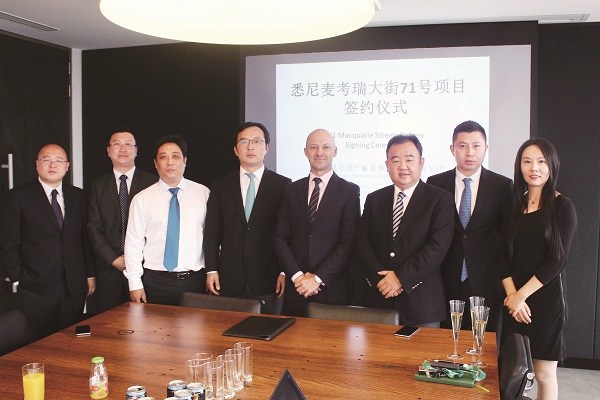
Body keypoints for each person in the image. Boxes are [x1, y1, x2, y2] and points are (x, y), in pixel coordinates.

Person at [500, 138, 576, 400]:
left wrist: (521, 296)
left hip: (545, 302)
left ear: (552, 165)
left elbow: (557, 260)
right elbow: (501, 256)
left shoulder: (562, 206)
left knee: (543, 374)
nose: (534, 168)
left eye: (541, 161)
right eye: (527, 161)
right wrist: (512, 296)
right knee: (512, 371)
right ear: (519, 166)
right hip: (513, 302)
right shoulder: (513, 206)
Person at [354, 134, 454, 327]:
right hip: (379, 298)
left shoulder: (440, 199)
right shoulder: (375, 199)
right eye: (395, 160)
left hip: (421, 304)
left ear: (421, 162)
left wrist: (400, 278)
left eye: (409, 159)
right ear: (387, 164)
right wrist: (381, 280)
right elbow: (361, 241)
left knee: (422, 349)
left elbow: (437, 247)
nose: (402, 166)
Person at [0, 144, 94, 339]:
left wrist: (89, 274)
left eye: (59, 160)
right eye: (47, 160)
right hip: (36, 287)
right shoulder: (18, 197)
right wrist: (18, 277)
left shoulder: (79, 196)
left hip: (74, 285)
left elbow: (84, 240)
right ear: (37, 164)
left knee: (72, 339)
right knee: (40, 342)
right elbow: (8, 243)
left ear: (67, 166)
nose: (53, 165)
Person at [427, 121, 512, 333]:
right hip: (445, 281)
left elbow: (507, 236)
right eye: (463, 146)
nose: (469, 152)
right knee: (446, 343)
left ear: (486, 148)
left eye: (476, 146)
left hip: (487, 281)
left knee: (484, 344)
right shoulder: (435, 183)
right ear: (452, 149)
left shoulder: (502, 186)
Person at [204, 122, 291, 314]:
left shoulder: (283, 185)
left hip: (269, 277)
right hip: (228, 277)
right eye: (244, 142)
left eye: (256, 141)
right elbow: (212, 231)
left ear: (267, 148)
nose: (250, 147)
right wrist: (211, 269)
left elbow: (288, 233)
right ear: (236, 150)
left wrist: (284, 271)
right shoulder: (221, 184)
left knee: (267, 330)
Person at [275, 129, 360, 317]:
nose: (319, 152)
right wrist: (298, 277)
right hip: (296, 291)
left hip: (332, 291)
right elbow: (280, 239)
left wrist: (317, 279)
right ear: (305, 152)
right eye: (313, 147)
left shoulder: (349, 191)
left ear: (335, 151)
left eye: (326, 147)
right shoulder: (292, 190)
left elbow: (348, 244)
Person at [124, 135, 210, 305]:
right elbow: (133, 244)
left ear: (185, 161)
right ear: (156, 163)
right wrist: (134, 283)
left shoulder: (203, 194)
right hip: (156, 282)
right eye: (163, 157)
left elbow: (213, 239)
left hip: (195, 281)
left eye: (175, 157)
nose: (170, 162)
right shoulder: (142, 199)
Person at [86, 127, 157, 315]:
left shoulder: (153, 183)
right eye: (117, 144)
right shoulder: (97, 185)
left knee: (144, 321)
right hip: (109, 270)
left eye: (128, 144)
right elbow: (93, 227)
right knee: (109, 323)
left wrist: (134, 259)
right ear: (108, 151)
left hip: (144, 268)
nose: (123, 149)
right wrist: (113, 259)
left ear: (136, 150)